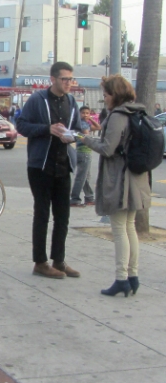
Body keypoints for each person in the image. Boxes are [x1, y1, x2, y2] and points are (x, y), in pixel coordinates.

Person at [79, 75, 151, 297]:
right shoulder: (137, 111)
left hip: (121, 179)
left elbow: (108, 149)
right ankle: (133, 276)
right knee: (129, 227)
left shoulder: (119, 115)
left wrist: (85, 139)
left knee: (119, 228)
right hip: (136, 177)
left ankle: (121, 279)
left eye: (106, 94)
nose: (105, 98)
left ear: (115, 95)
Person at [16, 61, 82, 279]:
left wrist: (74, 134)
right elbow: (22, 126)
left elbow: (79, 129)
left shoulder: (71, 102)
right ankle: (40, 262)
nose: (69, 83)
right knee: (42, 214)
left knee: (63, 216)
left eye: (71, 79)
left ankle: (59, 260)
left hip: (64, 165)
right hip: (41, 166)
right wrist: (47, 129)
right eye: (65, 79)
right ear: (52, 79)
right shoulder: (38, 99)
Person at [70, 105, 101, 207]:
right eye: (83, 113)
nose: (85, 115)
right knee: (81, 177)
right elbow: (86, 135)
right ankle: (75, 199)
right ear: (79, 114)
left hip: (80, 151)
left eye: (87, 113)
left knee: (85, 177)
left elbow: (98, 127)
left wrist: (91, 119)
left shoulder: (81, 124)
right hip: (84, 152)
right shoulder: (83, 124)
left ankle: (89, 197)